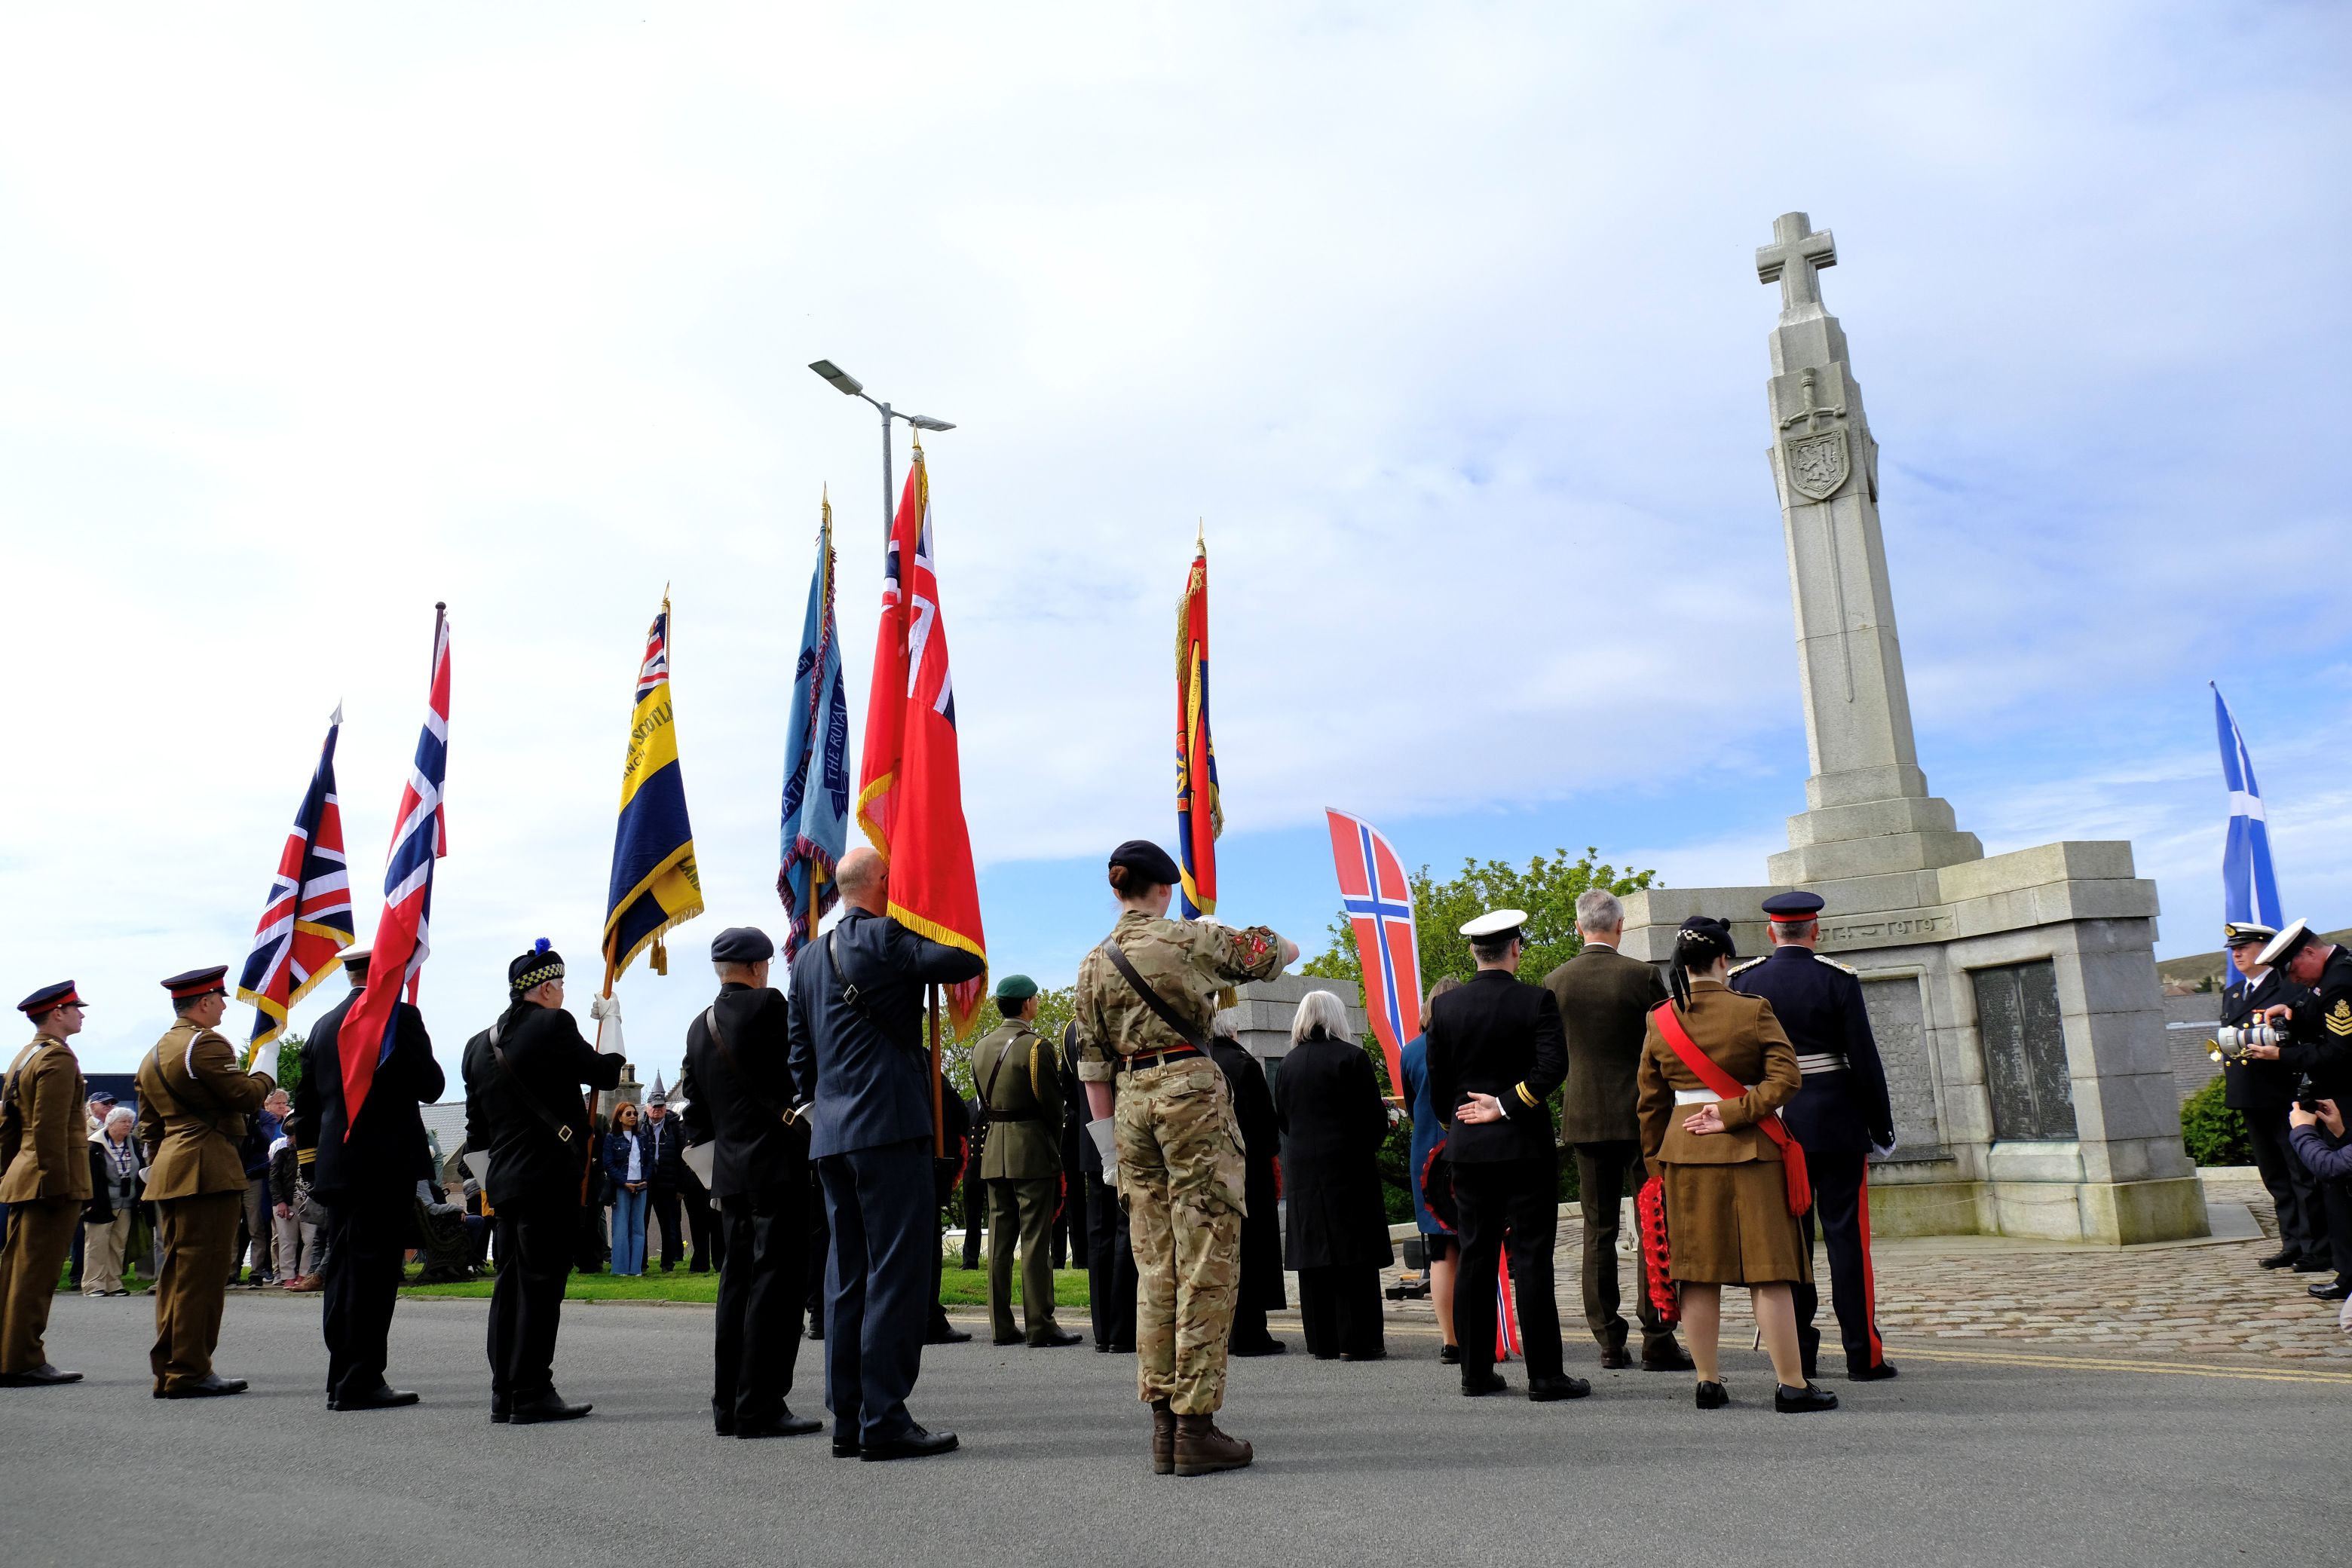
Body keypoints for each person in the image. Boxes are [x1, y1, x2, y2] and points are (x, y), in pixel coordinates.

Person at [1072, 838, 1293, 1477]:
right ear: (1165, 889)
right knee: (1207, 1258)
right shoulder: (1188, 940)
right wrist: (1222, 933)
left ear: (1117, 891)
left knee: (1154, 1264)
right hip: (1190, 1093)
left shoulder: (1092, 964)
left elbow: (1092, 1069)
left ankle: (1164, 1426)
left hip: (1129, 1105)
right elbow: (1280, 952)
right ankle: (1196, 1425)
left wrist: (1110, 1151)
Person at [787, 846, 985, 1462]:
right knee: (895, 1276)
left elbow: (799, 1055)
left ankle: (848, 1415)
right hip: (890, 1128)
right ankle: (885, 1418)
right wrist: (933, 909)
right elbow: (962, 959)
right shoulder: (886, 936)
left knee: (845, 1278)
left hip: (832, 1137)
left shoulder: (809, 958)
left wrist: (827, 1115)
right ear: (878, 883)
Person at [1637, 916, 1837, 1413]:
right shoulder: (1752, 1010)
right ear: (1724, 960)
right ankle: (1791, 1384)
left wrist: (1656, 1170)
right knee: (1769, 1272)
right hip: (1753, 1152)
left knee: (1697, 1273)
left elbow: (1649, 1105)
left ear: (1680, 964)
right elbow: (1787, 1079)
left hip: (1684, 1155)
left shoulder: (1659, 1019)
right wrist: (1732, 1113)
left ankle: (1708, 1382)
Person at [1725, 891, 1898, 1382]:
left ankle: (1797, 1354)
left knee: (1789, 1247)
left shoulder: (1746, 981)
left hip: (1776, 1126)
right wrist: (1879, 1126)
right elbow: (1864, 1060)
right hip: (1838, 1125)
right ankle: (1862, 1354)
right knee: (1848, 1244)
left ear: (1771, 932)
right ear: (1815, 931)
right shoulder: (1836, 979)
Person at [1427, 910, 1585, 1404]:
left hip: (1470, 1149)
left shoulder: (1446, 1009)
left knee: (1475, 1255)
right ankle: (1545, 1376)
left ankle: (1475, 1372)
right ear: (1516, 948)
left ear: (1474, 953)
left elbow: (1439, 1089)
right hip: (1524, 1148)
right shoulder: (1536, 1000)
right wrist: (1506, 1106)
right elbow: (1552, 1068)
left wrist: (1470, 1120)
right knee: (1532, 1257)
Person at [463, 940, 623, 1425]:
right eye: (561, 986)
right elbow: (606, 1072)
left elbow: (476, 1133)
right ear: (549, 988)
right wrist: (612, 1019)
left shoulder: (477, 1046)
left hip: (504, 1183)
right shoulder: (555, 1024)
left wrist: (492, 1182)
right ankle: (532, 1389)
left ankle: (504, 1392)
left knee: (508, 1286)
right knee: (541, 1286)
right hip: (549, 1179)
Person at [680, 925, 821, 1439]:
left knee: (735, 1286)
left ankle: (729, 1403)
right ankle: (760, 1403)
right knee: (777, 1290)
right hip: (778, 1168)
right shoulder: (770, 1008)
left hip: (730, 1174)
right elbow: (804, 1065)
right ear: (760, 967)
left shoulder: (699, 1027)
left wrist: (714, 1170)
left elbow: (695, 1111)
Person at [1545, 890, 1691, 1373]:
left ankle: (1608, 1338)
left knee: (1597, 1231)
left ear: (1578, 926)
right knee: (1654, 1224)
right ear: (1620, 926)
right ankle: (1657, 1333)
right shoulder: (1641, 976)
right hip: (1644, 1118)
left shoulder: (1555, 982)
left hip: (1585, 1120)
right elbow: (1671, 1043)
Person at [293, 945, 445, 1410]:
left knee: (342, 1272)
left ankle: (342, 1375)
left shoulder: (322, 1025)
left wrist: (312, 1165)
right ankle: (360, 1380)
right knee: (374, 1276)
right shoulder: (398, 1019)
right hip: (384, 1166)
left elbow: (307, 1107)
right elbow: (432, 1086)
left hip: (338, 1168)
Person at [136, 966, 274, 1398]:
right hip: (206, 1168)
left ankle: (173, 1368)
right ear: (204, 1002)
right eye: (219, 999)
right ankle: (188, 1371)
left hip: (174, 1170)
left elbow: (149, 1127)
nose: (223, 1006)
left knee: (178, 1274)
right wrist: (265, 1069)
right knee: (201, 1276)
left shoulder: (156, 1051)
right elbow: (246, 1097)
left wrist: (163, 1167)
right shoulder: (205, 1042)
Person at [1272, 991, 1394, 1362]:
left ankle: (1322, 1341)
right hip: (1348, 1168)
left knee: (1314, 1255)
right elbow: (1374, 1122)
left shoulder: (1288, 1064)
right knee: (1353, 1254)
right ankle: (1358, 1340)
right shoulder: (1352, 1058)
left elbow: (1285, 1119)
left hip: (1306, 1171)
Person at [972, 975, 1083, 1349]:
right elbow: (1053, 1108)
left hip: (993, 1151)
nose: (1037, 1002)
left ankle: (1001, 1326)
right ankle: (1040, 1325)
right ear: (1025, 1004)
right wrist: (1054, 1145)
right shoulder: (1036, 1048)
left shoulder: (980, 1047)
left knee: (999, 1245)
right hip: (1031, 1151)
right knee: (1036, 1241)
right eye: (1035, 998)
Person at [2246, 919, 2352, 1303]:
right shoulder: (2332, 974)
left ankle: (2348, 1277)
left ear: (2309, 952)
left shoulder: (2341, 982)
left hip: (2346, 1098)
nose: (2295, 980)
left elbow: (2339, 1052)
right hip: (2340, 1098)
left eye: (2293, 971)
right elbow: (2312, 1006)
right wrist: (2289, 1007)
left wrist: (2281, 1054)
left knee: (2337, 1184)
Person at [2217, 923, 2325, 1272]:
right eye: (2233, 948)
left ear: (2266, 949)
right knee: (2275, 1176)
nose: (2237, 954)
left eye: (2245, 946)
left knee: (2301, 1174)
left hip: (2284, 1091)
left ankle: (2315, 1247)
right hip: (2251, 1093)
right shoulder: (2234, 993)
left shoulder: (2288, 985)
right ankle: (2291, 1243)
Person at [1, 982, 93, 1386]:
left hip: (25, 1175)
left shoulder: (26, 1055)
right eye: (76, 1008)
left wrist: (8, 1173)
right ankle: (22, 1360)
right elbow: (48, 1128)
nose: (82, 1014)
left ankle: (10, 1355)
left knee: (16, 1272)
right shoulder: (56, 1059)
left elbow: (8, 1127)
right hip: (48, 1180)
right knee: (35, 1276)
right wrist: (55, 1184)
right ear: (58, 1012)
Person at [1205, 1009, 1285, 1356]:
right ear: (1232, 1032)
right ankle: (1251, 1333)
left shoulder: (1200, 1061)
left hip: (1208, 1169)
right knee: (1250, 1251)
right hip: (1247, 1170)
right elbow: (1267, 1126)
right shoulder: (1244, 1065)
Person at [1396, 978, 1462, 1362]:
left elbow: (1409, 1102)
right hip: (1467, 1153)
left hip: (1427, 1158)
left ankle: (1450, 1340)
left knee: (1440, 1254)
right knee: (1474, 1249)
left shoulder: (1411, 1051)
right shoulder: (1470, 1045)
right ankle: (1482, 1333)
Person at [1069, 1018, 1138, 1355]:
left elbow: (1070, 1093)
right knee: (1125, 1229)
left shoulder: (1071, 1029)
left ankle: (1103, 1331)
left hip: (1090, 1139)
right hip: (1120, 1135)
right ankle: (1122, 1329)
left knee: (1099, 1234)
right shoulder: (1113, 1020)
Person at [84, 1106, 144, 1297]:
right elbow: (88, 1176)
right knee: (97, 1245)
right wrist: (89, 1202)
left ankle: (113, 1282)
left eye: (129, 1122)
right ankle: (94, 1284)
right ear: (110, 1124)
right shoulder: (94, 1145)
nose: (128, 1125)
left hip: (126, 1201)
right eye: (123, 1122)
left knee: (118, 1245)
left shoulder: (133, 1142)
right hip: (101, 1203)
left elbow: (140, 1168)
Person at [234, 1088, 290, 1288]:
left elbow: (264, 1142)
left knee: (256, 1226)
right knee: (233, 1228)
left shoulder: (266, 1119)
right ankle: (232, 1272)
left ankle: (256, 1273)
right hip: (234, 1177)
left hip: (255, 1177)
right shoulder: (234, 1115)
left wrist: (254, 1119)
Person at [639, 1082, 695, 1272]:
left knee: (669, 1225)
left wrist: (681, 1187)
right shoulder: (640, 1128)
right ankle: (642, 1263)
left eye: (661, 1106)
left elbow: (683, 1159)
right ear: (647, 1109)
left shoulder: (675, 1127)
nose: (658, 1110)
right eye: (654, 1107)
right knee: (642, 1224)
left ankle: (668, 1264)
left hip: (668, 1183)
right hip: (646, 1183)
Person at [603, 1101, 651, 1276]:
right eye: (628, 1114)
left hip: (641, 1185)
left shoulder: (642, 1137)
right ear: (619, 1117)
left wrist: (645, 1179)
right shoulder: (611, 1138)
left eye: (635, 1114)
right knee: (621, 1227)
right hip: (622, 1186)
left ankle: (635, 1269)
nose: (632, 1117)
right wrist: (624, 1182)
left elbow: (648, 1162)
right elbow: (608, 1164)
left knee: (639, 1228)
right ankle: (620, 1269)